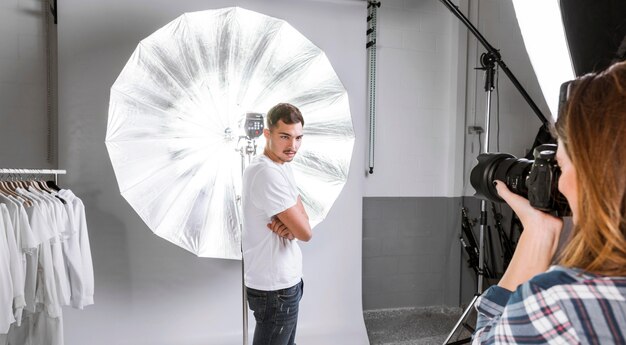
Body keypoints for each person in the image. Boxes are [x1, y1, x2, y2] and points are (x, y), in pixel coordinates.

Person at [472, 61, 626, 344]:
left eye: (561, 166)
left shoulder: (563, 303)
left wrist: (537, 234)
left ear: (596, 176)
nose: (561, 182)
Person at [242, 103, 312, 345]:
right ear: (267, 134)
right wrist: (295, 225)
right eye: (285, 137)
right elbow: (305, 232)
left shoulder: (282, 167)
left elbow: (302, 223)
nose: (293, 146)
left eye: (298, 138)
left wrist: (293, 224)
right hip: (275, 290)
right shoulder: (266, 173)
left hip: (286, 283)